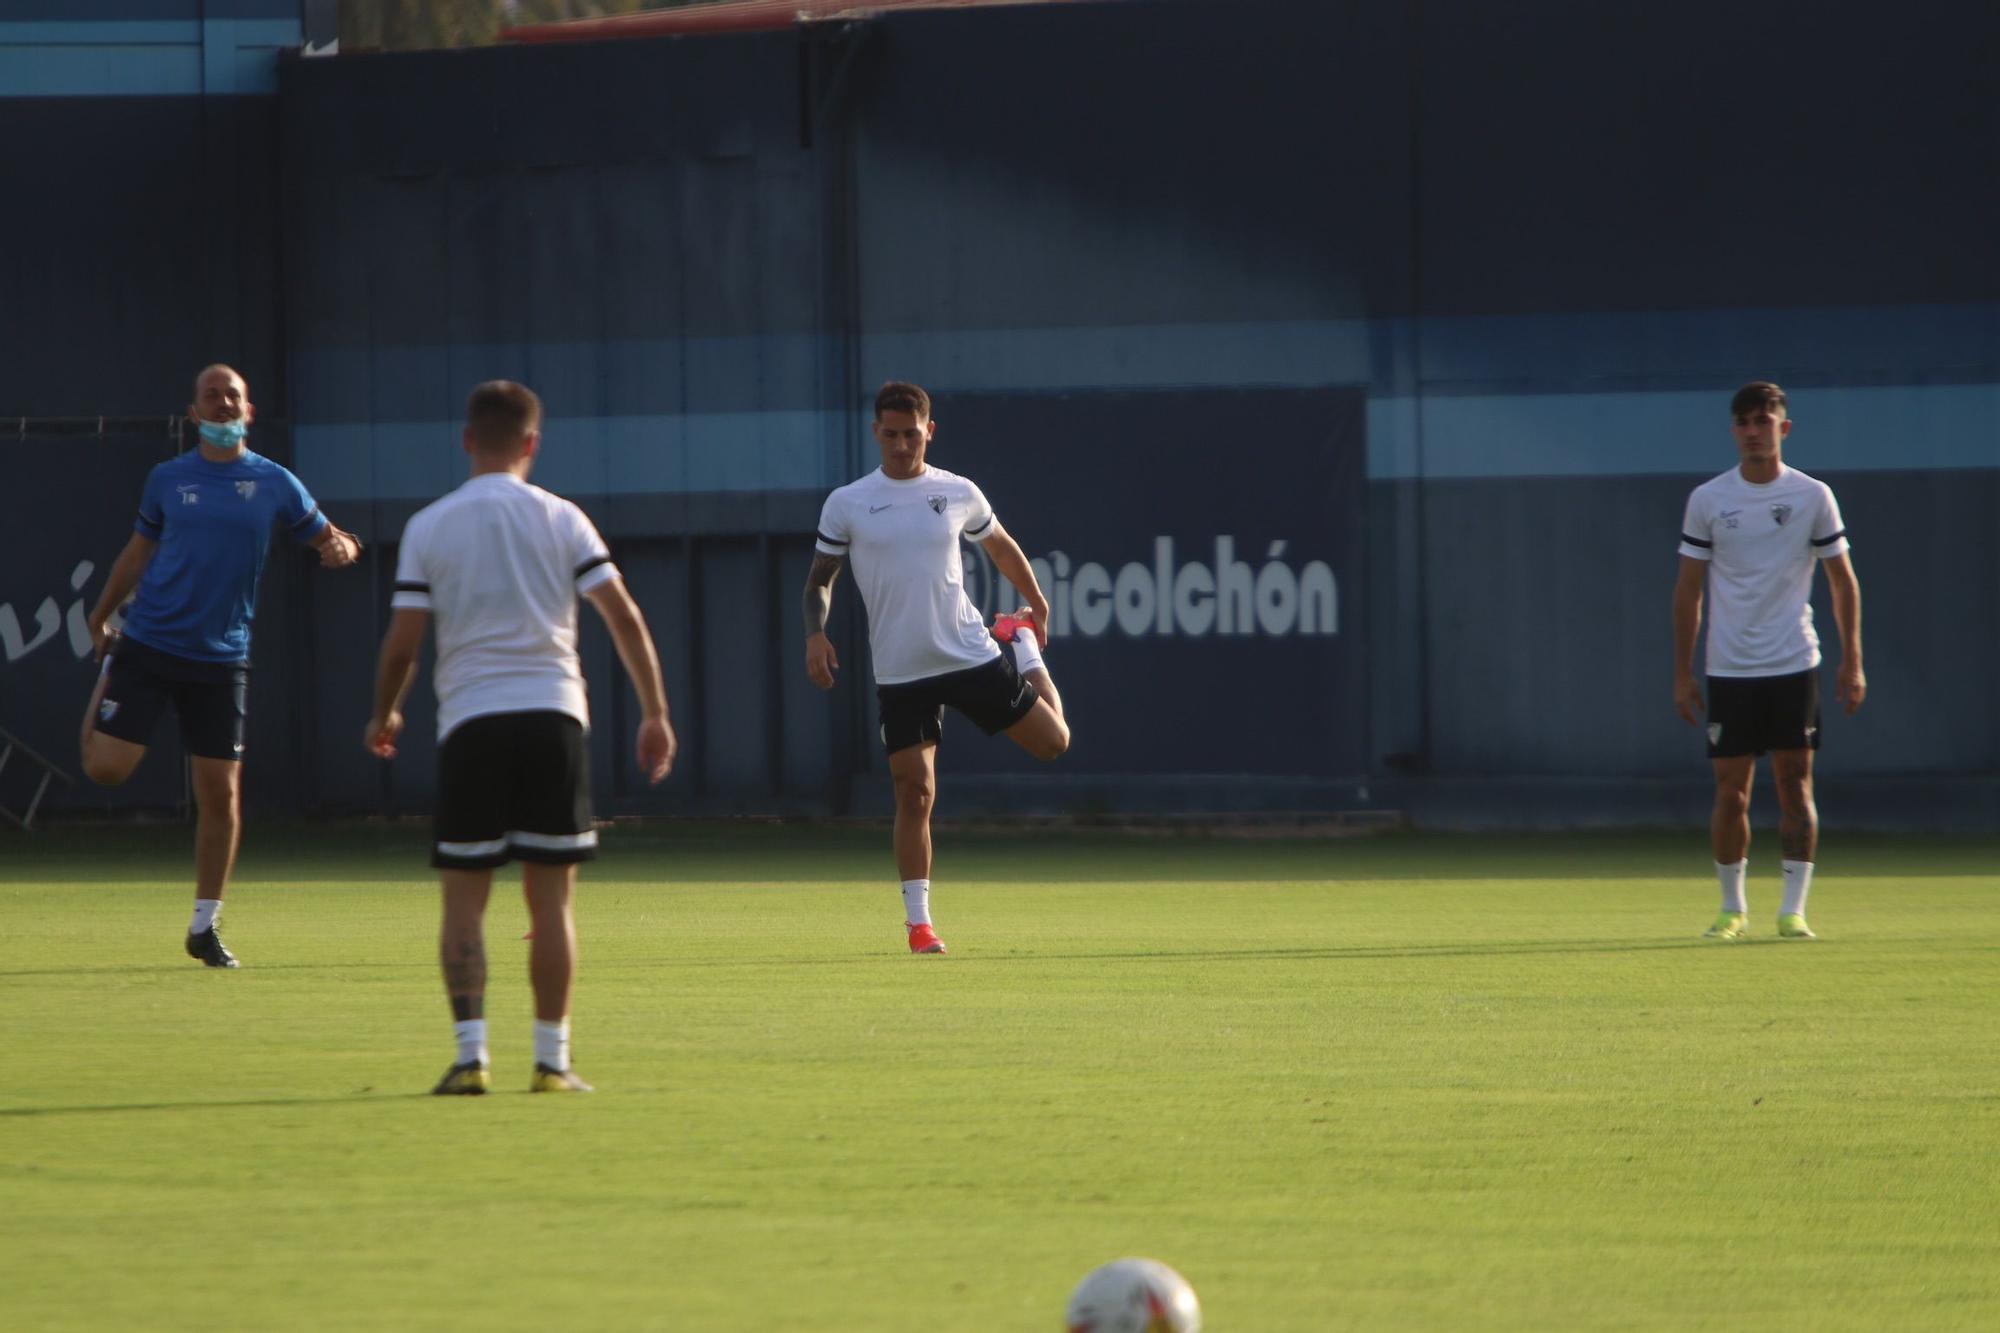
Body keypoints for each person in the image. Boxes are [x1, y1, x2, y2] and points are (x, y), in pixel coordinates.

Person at [365, 381, 675, 1095]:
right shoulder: (563, 518)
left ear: (468, 439)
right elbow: (623, 617)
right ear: (533, 443)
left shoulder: (430, 525)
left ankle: (471, 1056)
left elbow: (402, 645)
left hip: (471, 722)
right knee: (552, 903)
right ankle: (552, 1059)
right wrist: (654, 711)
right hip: (553, 716)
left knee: (464, 903)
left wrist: (384, 712)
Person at [79, 363, 362, 967]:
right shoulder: (167, 479)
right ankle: (108, 674)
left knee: (222, 794)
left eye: (233, 396)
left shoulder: (276, 482)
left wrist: (342, 548)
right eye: (212, 396)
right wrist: (100, 616)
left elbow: (332, 537)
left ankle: (204, 927)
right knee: (106, 770)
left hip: (222, 658)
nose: (224, 404)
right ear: (194, 414)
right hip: (149, 645)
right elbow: (137, 551)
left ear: (249, 412)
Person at [803, 381, 1070, 955]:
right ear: (876, 433)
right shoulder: (848, 502)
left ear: (930, 430)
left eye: (911, 433)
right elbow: (820, 579)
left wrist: (1035, 602)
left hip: (968, 654)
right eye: (891, 434)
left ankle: (1021, 643)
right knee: (914, 793)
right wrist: (815, 632)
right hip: (902, 671)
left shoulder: (957, 492)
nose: (901, 445)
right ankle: (919, 925)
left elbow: (999, 546)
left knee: (1054, 742)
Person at [1673, 381, 1864, 941]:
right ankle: (1732, 907)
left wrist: (1852, 661)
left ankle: (1793, 909)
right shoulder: (1709, 500)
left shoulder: (1812, 496)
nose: (1754, 432)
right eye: (1744, 422)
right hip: (1729, 666)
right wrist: (1682, 672)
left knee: (1793, 783)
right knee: (1731, 789)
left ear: (1783, 428)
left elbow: (1841, 581)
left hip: (1792, 661)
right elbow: (1688, 590)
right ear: (1733, 431)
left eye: (1764, 421)